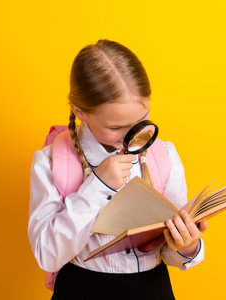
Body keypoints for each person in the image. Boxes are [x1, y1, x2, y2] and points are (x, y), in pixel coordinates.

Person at [27, 39, 209, 300]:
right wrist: (98, 185)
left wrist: (187, 245)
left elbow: (169, 253)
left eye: (142, 120)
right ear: (79, 111)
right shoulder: (50, 161)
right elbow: (48, 255)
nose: (132, 135)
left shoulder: (163, 156)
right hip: (81, 289)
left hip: (152, 289)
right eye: (116, 128)